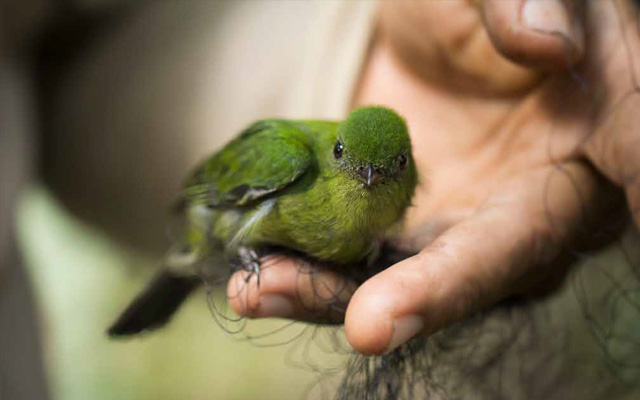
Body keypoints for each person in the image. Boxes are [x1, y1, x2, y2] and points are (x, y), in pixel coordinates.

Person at [39, 0, 640, 398]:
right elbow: (211, 192)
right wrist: (234, 250)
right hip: (219, 229)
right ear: (337, 155)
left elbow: (77, 51)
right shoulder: (290, 157)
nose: (370, 182)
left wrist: (353, 56)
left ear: (404, 170)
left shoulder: (402, 190)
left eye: (390, 172)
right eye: (352, 165)